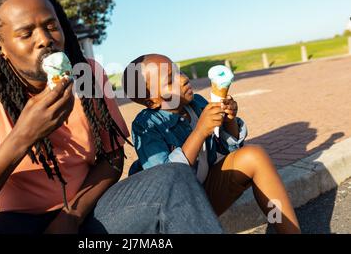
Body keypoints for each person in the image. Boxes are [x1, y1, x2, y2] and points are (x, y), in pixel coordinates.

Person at [0, 0, 223, 234]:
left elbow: (111, 158)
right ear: (0, 46)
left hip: (90, 217)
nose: (44, 39)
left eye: (50, 25)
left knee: (172, 177)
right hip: (13, 225)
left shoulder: (89, 75)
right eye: (26, 33)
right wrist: (23, 136)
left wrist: (69, 218)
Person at [122, 54, 301, 234]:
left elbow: (226, 148)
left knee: (254, 156)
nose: (183, 79)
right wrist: (199, 132)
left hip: (205, 191)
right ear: (152, 101)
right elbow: (165, 181)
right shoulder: (146, 126)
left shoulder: (197, 104)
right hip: (174, 212)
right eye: (170, 80)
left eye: (179, 71)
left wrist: (229, 120)